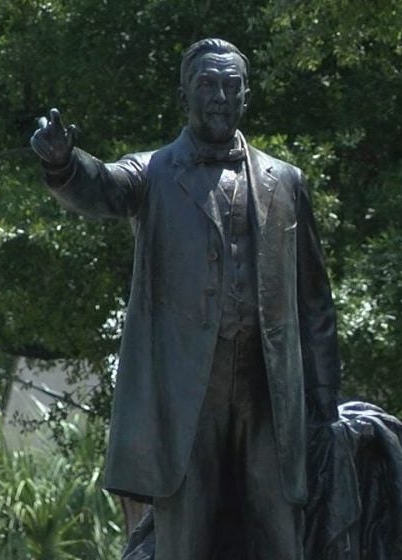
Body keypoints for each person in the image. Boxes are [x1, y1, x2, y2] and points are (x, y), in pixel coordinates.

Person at [30, 37, 341, 560]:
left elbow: (315, 302)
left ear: (246, 97)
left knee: (279, 532)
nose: (219, 96)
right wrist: (63, 164)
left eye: (231, 86)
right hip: (186, 397)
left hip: (269, 394)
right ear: (184, 96)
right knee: (187, 538)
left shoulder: (286, 181)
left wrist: (325, 400)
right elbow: (101, 185)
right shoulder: (153, 172)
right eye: (207, 85)